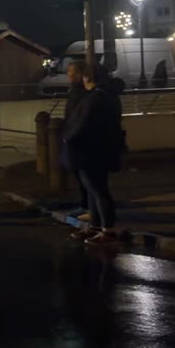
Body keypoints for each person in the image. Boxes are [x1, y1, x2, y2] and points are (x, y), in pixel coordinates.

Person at [63, 65, 124, 244]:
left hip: (91, 150)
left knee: (98, 190)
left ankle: (108, 230)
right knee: (93, 190)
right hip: (99, 148)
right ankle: (96, 226)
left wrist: (68, 137)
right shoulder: (107, 96)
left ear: (88, 78)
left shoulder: (96, 98)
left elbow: (83, 122)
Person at [63, 60, 91, 215]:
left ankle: (88, 206)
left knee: (84, 174)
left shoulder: (83, 92)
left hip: (79, 137)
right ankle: (85, 203)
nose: (70, 74)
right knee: (78, 173)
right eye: (69, 71)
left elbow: (80, 116)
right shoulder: (74, 90)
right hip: (73, 135)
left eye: (74, 71)